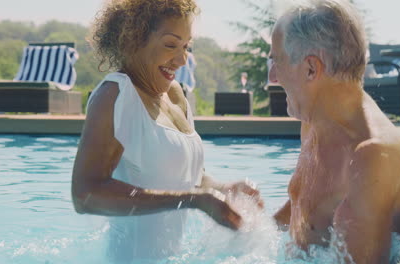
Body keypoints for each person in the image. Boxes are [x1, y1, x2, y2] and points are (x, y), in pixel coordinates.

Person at [71, 0, 260, 262]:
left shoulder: (175, 94)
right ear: (132, 41)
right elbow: (85, 195)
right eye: (171, 45)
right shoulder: (115, 95)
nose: (182, 59)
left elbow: (184, 175)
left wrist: (223, 189)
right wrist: (193, 200)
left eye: (186, 47)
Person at [269, 0, 400, 263]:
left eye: (276, 62)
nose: (272, 77)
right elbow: (303, 210)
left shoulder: (372, 156)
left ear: (311, 68)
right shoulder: (314, 122)